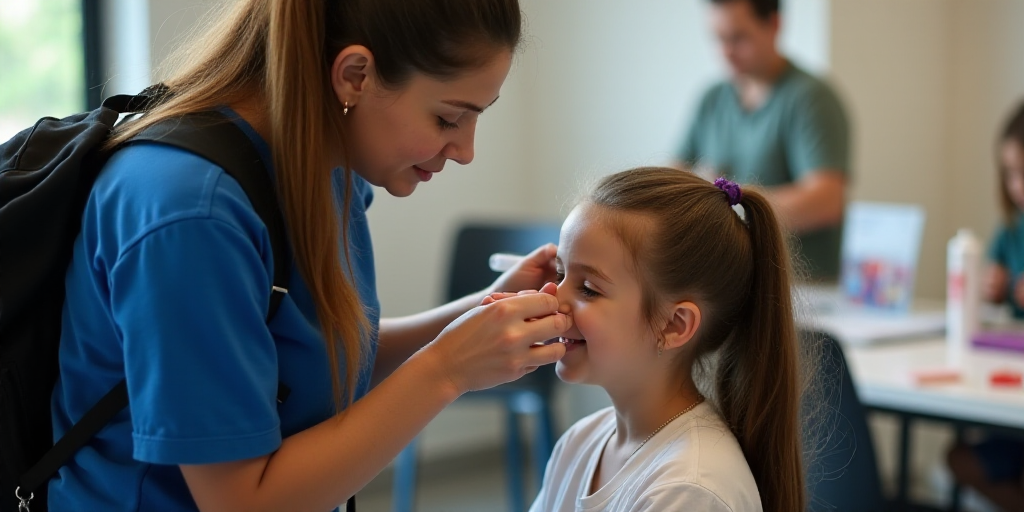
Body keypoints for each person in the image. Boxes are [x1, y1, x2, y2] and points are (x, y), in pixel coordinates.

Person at [47, 0, 573, 510]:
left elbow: (315, 359)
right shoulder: (189, 215)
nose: (466, 150)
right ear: (356, 76)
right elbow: (241, 501)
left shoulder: (325, 164)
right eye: (448, 119)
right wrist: (446, 369)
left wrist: (482, 310)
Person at [522, 167, 806, 511]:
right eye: (560, 272)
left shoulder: (690, 490)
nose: (551, 296)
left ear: (674, 325)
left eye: (588, 289)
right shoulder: (580, 442)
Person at [675, 0, 850, 281]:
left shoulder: (811, 99)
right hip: (731, 283)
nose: (726, 52)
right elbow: (673, 176)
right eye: (718, 39)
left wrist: (726, 211)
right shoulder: (712, 99)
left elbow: (826, 201)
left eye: (739, 38)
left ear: (774, 25)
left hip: (799, 288)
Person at [947, 101, 1024, 512]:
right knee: (958, 458)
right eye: (1010, 173)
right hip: (1009, 386)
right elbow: (986, 285)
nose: (1017, 186)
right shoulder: (1011, 230)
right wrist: (988, 287)